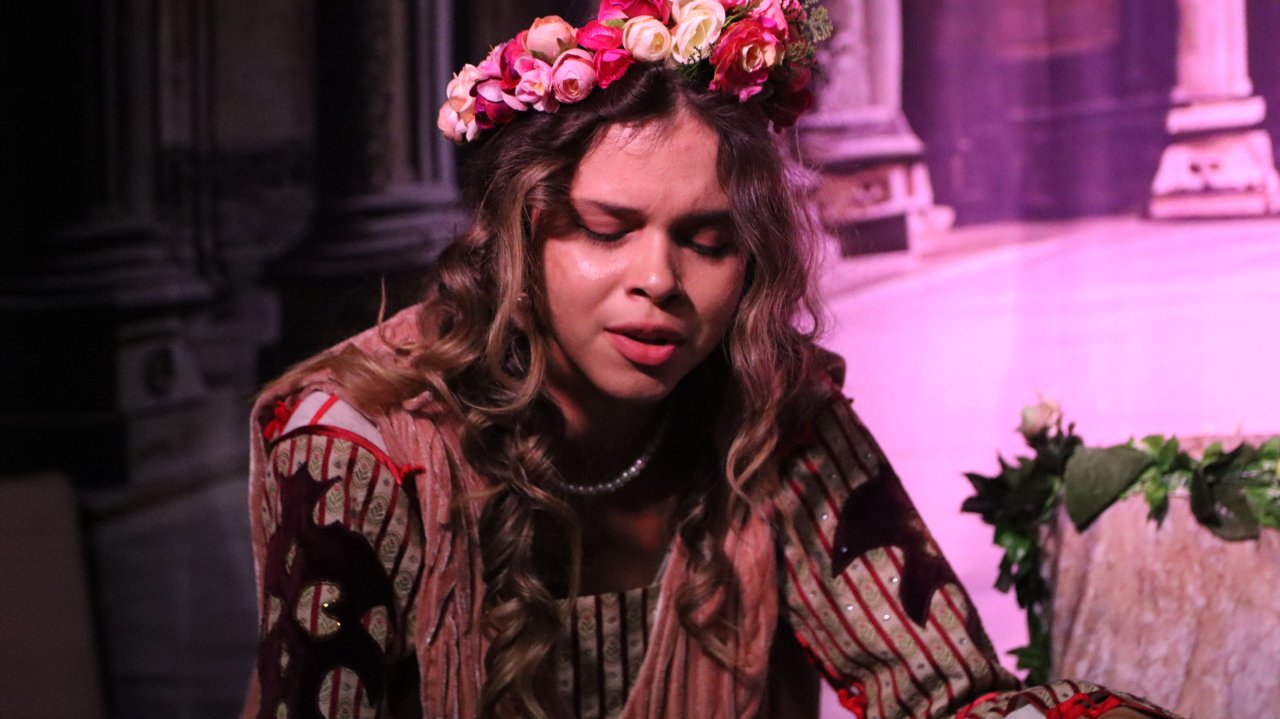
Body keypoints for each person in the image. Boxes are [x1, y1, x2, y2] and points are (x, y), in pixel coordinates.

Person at [241, 2, 1182, 718]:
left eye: (708, 240)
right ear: (520, 234)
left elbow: (942, 695)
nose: (659, 280)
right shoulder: (355, 445)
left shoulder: (776, 413)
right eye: (606, 230)